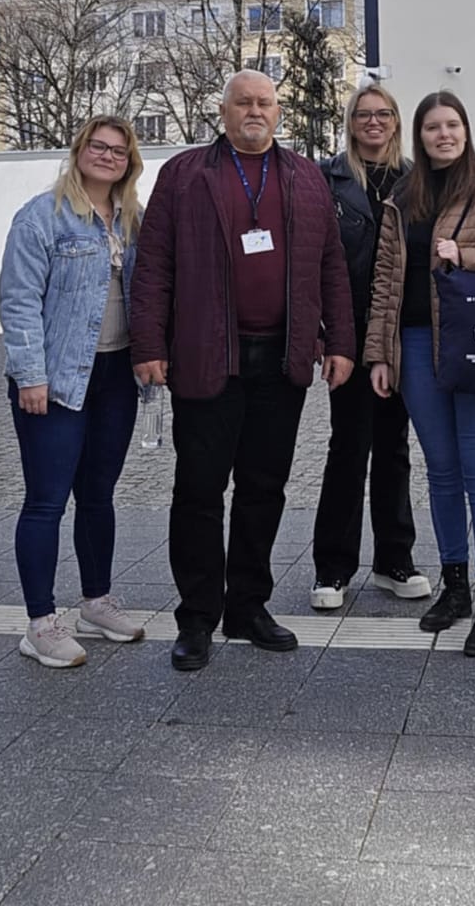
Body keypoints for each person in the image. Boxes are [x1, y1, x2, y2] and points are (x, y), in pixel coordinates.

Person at [131, 70, 356, 673]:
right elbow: (153, 265)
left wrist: (341, 342)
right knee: (199, 491)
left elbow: (331, 265)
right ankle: (198, 615)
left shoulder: (306, 176)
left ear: (278, 112)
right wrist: (148, 344)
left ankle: (248, 606)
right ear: (223, 110)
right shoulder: (184, 174)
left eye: (265, 102)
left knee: (264, 488)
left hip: (281, 361)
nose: (255, 111)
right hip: (206, 357)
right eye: (243, 102)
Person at [365, 91, 475, 657]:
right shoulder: (402, 196)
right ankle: (456, 586)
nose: (444, 135)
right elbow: (385, 281)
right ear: (418, 136)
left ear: (466, 131)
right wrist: (379, 354)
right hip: (416, 348)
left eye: (453, 125)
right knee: (441, 472)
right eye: (433, 127)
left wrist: (469, 256)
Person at [0, 116, 147, 668]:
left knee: (100, 495)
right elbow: (18, 301)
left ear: (129, 160)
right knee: (46, 500)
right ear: (78, 150)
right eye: (98, 146)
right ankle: (40, 623)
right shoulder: (42, 216)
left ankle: (96, 601)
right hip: (56, 379)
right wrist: (30, 375)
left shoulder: (132, 218)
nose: (107, 156)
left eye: (118, 149)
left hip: (116, 377)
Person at [310, 84, 429, 611]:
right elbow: (311, 260)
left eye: (384, 114)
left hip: (403, 335)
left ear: (397, 122)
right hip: (349, 333)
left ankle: (394, 560)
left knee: (395, 449)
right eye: (364, 114)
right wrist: (322, 330)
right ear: (350, 121)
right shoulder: (326, 179)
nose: (374, 122)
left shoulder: (415, 180)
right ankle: (333, 568)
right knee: (348, 448)